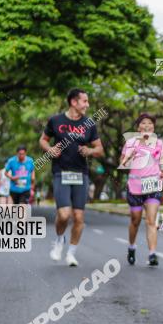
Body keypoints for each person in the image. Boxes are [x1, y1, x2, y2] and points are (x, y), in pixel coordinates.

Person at [40, 88, 104, 267]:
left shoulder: (89, 124)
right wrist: (49, 149)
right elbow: (43, 140)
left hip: (81, 174)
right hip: (61, 171)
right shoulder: (56, 120)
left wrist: (90, 150)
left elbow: (100, 149)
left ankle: (71, 253)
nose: (88, 105)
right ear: (73, 102)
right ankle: (59, 240)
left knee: (78, 217)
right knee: (63, 214)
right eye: (85, 101)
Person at [119, 113, 163, 267]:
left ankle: (152, 254)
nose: (147, 126)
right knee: (135, 220)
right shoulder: (131, 142)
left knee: (151, 220)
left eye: (150, 123)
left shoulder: (159, 143)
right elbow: (123, 164)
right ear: (138, 127)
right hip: (135, 187)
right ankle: (131, 247)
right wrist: (130, 156)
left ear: (153, 126)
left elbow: (162, 162)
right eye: (143, 124)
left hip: (153, 185)